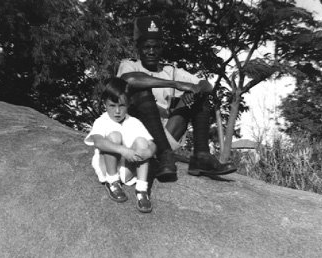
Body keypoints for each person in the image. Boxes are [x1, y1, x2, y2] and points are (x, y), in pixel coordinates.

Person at [117, 16, 237, 183]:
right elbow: (129, 80)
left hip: (165, 137)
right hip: (138, 138)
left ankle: (201, 156)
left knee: (199, 96)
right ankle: (165, 155)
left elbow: (206, 85)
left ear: (161, 48)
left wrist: (195, 90)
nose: (152, 51)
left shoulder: (170, 69)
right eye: (147, 47)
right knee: (141, 91)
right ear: (138, 48)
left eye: (156, 47)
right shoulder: (129, 65)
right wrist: (176, 84)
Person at [84, 77, 157, 213]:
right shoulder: (101, 121)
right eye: (112, 106)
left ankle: (141, 189)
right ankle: (112, 181)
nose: (117, 111)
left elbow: (151, 144)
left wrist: (148, 152)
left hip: (127, 169)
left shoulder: (134, 122)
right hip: (107, 167)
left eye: (122, 106)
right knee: (114, 136)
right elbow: (98, 142)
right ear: (105, 104)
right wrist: (123, 150)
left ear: (128, 104)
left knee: (142, 141)